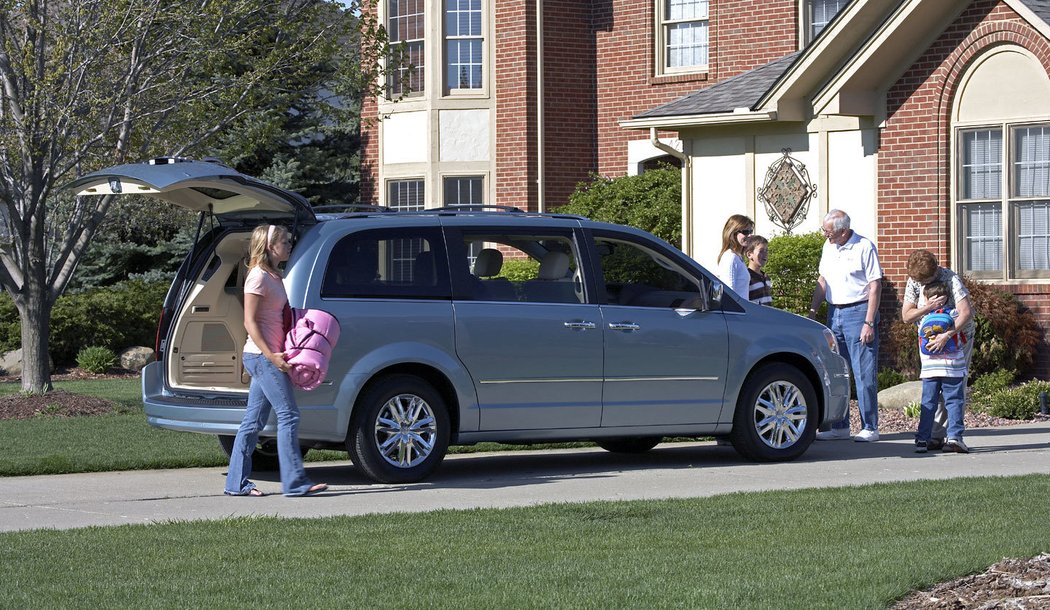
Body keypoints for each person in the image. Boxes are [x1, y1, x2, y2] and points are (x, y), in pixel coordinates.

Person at [224, 224, 328, 497]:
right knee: (289, 414)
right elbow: (249, 321)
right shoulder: (257, 277)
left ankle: (236, 484)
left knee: (252, 423)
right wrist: (272, 355)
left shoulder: (274, 275)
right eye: (285, 243)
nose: (289, 246)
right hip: (262, 356)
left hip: (270, 355)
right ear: (271, 247)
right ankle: (294, 483)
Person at [809, 209, 883, 442]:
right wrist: (812, 311)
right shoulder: (829, 247)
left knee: (863, 372)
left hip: (858, 311)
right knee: (837, 372)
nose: (825, 235)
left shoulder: (864, 246)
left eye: (828, 231)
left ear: (843, 231)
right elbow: (823, 281)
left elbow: (875, 286)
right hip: (834, 313)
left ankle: (870, 426)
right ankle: (839, 426)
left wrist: (868, 322)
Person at [901, 248, 975, 450]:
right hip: (929, 343)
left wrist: (947, 335)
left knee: (954, 387)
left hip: (958, 338)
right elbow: (906, 316)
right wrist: (927, 307)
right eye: (920, 282)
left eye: (928, 280)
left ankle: (949, 437)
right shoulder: (915, 281)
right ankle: (936, 436)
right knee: (933, 391)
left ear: (935, 272)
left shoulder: (950, 278)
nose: (924, 284)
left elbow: (965, 312)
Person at [914, 281, 970, 453]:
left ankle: (923, 439)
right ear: (946, 298)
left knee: (928, 403)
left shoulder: (923, 319)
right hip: (952, 367)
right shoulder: (954, 315)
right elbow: (961, 337)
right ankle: (954, 437)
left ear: (926, 299)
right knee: (954, 402)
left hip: (930, 369)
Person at [716, 215, 754, 299]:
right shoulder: (730, 258)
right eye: (745, 232)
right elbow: (729, 293)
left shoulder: (738, 257)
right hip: (736, 311)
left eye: (751, 231)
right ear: (733, 233)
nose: (750, 235)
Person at [743, 234, 773, 306]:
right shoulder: (747, 277)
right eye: (761, 251)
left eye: (766, 251)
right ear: (750, 254)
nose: (765, 254)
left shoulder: (766, 277)